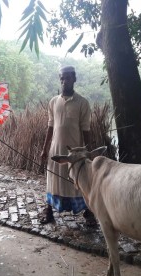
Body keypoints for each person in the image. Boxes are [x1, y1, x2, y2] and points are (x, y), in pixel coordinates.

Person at [40, 66, 97, 225]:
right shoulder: (53, 102)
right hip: (55, 150)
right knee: (53, 181)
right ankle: (49, 211)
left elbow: (86, 129)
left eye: (68, 77)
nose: (64, 81)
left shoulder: (82, 103)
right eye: (62, 78)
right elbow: (50, 127)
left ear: (74, 79)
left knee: (79, 182)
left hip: (75, 153)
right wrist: (44, 149)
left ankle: (88, 213)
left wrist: (88, 151)